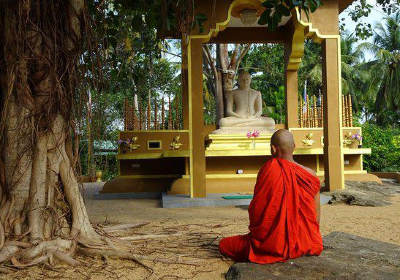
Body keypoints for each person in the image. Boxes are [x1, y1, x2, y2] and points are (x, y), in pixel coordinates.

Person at [218, 129, 323, 264]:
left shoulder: (269, 168)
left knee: (224, 244)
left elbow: (257, 212)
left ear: (273, 149)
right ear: (294, 147)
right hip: (307, 243)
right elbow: (316, 218)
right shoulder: (311, 175)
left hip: (273, 246)